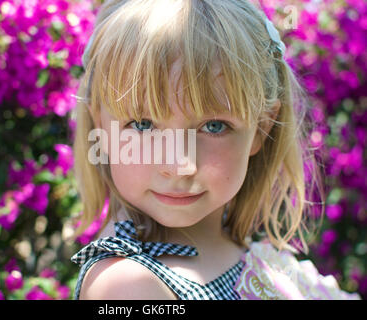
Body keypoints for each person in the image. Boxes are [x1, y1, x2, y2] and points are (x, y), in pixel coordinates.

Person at [70, 0, 361, 300]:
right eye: (143, 125)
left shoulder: (250, 252)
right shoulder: (126, 286)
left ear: (262, 127)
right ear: (100, 125)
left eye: (214, 126)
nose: (179, 164)